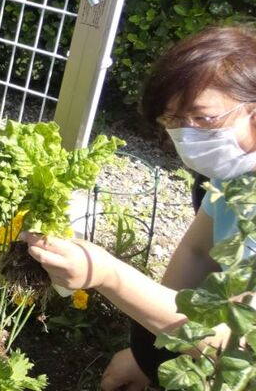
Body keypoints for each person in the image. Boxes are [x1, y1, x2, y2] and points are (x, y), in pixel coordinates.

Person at [23, 24, 256, 391]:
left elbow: (234, 341)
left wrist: (106, 274)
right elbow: (197, 253)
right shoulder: (234, 174)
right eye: (174, 120)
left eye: (202, 118)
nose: (188, 134)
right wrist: (148, 353)